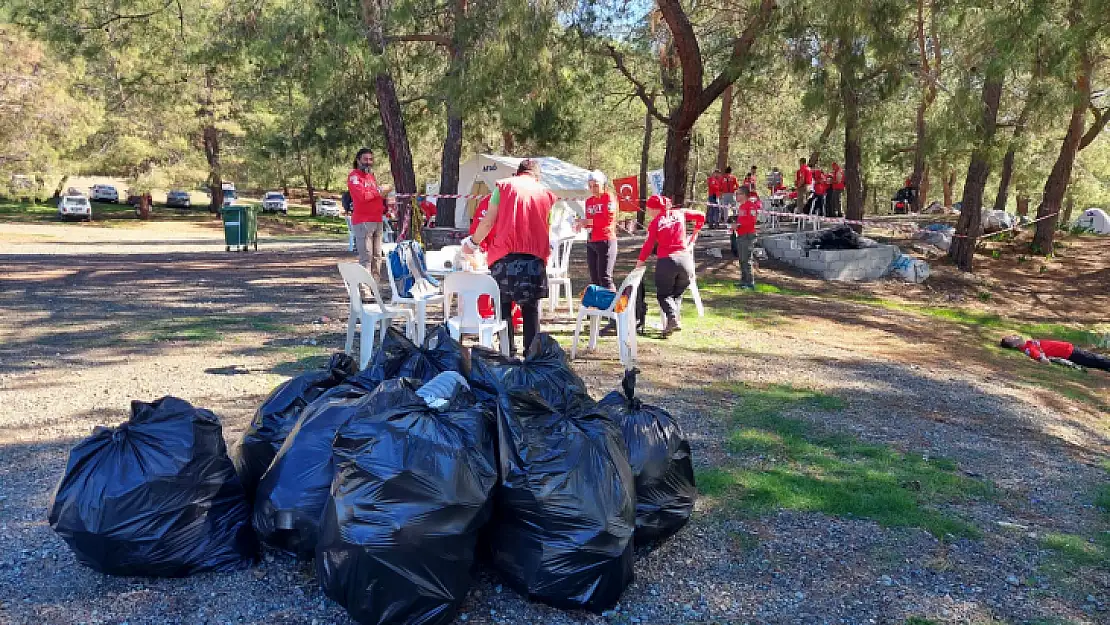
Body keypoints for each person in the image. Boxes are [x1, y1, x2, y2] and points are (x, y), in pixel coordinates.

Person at [465, 158, 557, 356]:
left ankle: (508, 354)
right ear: (537, 176)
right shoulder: (546, 194)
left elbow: (488, 222)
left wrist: (472, 243)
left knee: (504, 307)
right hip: (534, 257)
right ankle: (531, 358)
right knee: (531, 309)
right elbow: (546, 229)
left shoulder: (503, 188)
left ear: (518, 172)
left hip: (505, 257)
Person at [636, 195, 705, 337]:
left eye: (649, 209)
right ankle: (670, 323)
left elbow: (648, 245)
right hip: (685, 261)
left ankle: (672, 319)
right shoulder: (680, 213)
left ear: (655, 209)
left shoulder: (655, 222)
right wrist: (695, 232)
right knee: (676, 294)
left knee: (663, 295)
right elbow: (701, 215)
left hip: (667, 261)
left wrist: (640, 261)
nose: (648, 212)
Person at [347, 148, 392, 279]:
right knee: (366, 257)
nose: (368, 162)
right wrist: (379, 190)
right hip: (363, 221)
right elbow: (362, 196)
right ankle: (365, 291)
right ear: (358, 160)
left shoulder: (371, 177)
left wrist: (385, 194)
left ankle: (375, 288)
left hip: (377, 219)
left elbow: (376, 196)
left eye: (371, 159)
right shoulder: (354, 176)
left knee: (377, 256)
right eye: (365, 159)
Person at [1000, 336, 1110, 372]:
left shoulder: (1028, 343)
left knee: (1099, 361)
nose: (1014, 336)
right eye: (1012, 339)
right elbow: (1043, 360)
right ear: (1013, 345)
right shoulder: (1028, 348)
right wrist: (1044, 358)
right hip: (1069, 353)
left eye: (1012, 336)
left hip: (1069, 349)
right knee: (1099, 361)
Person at [734, 187, 760, 290]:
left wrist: (739, 224)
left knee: (746, 259)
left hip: (748, 235)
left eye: (738, 194)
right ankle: (743, 281)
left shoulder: (751, 206)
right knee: (741, 259)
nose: (736, 196)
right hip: (741, 235)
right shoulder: (741, 206)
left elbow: (752, 221)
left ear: (744, 195)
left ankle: (750, 282)